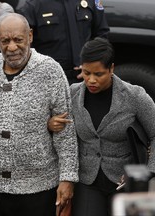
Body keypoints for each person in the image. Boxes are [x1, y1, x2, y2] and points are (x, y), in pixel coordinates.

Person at [0, 13, 78, 216]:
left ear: (30, 36)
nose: (11, 47)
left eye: (18, 40)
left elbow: (66, 132)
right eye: (5, 41)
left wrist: (67, 177)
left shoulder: (50, 71)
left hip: (37, 189)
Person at [48, 37, 155, 216]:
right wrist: (50, 124)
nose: (91, 80)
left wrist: (148, 171)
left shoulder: (134, 96)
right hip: (87, 182)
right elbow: (59, 129)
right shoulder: (72, 93)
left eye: (98, 74)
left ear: (111, 68)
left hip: (127, 182)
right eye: (86, 73)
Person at [17, 0, 109, 84]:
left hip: (85, 79)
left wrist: (92, 64)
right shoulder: (33, 5)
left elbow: (101, 35)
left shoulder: (91, 1)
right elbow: (22, 44)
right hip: (48, 80)